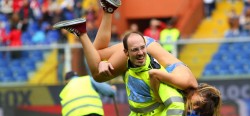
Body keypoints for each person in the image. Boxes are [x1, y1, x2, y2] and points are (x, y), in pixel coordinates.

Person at [52, 0, 198, 92]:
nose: (193, 109)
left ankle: (108, 10)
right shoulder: (187, 83)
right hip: (143, 49)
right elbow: (154, 74)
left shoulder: (190, 81)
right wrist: (106, 64)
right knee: (98, 76)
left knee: (96, 52)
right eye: (197, 106)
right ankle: (81, 32)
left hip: (146, 44)